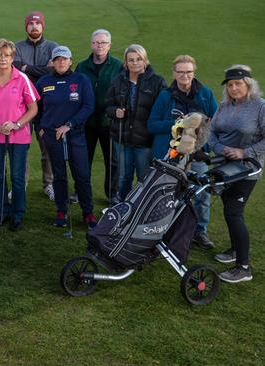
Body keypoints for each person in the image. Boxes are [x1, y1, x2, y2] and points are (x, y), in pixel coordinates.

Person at [147, 55, 218, 249]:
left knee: (202, 194)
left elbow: (216, 124)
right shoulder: (165, 96)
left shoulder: (205, 94)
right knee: (170, 194)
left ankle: (200, 232)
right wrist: (180, 124)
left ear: (194, 72)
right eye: (180, 72)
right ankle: (167, 230)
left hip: (197, 154)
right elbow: (152, 125)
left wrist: (203, 134)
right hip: (171, 155)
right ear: (174, 73)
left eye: (188, 71)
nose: (184, 75)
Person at [208, 65, 265, 283]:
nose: (233, 88)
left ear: (248, 84)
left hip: (247, 169)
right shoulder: (224, 106)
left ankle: (243, 268)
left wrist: (244, 152)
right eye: (230, 85)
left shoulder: (260, 107)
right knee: (228, 208)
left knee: (234, 212)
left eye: (238, 84)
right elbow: (212, 132)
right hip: (223, 167)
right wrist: (219, 148)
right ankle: (233, 250)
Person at [0, 39, 39, 231]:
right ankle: (2, 211)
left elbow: (33, 108)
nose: (2, 59)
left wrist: (17, 124)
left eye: (7, 55)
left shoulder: (21, 79)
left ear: (12, 57)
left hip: (19, 136)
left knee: (17, 176)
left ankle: (18, 213)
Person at [36, 46, 96, 228]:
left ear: (71, 61)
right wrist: (39, 127)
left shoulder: (81, 80)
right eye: (57, 59)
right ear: (52, 62)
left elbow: (88, 106)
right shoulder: (43, 82)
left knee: (82, 175)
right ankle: (61, 210)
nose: (61, 62)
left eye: (65, 59)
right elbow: (35, 107)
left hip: (75, 135)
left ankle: (88, 213)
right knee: (59, 175)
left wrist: (69, 124)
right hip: (52, 136)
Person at [105, 44, 166, 201]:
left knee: (143, 177)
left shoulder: (157, 82)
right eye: (131, 60)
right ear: (125, 62)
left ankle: (141, 211)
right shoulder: (118, 80)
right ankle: (124, 209)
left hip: (144, 140)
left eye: (138, 59)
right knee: (123, 177)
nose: (135, 63)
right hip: (122, 138)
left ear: (145, 60)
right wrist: (114, 112)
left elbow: (163, 109)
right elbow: (108, 106)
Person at [13, 11, 59, 200]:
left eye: (37, 23)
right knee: (21, 146)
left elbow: (53, 70)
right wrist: (41, 70)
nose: (34, 26)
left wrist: (26, 68)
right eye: (30, 23)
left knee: (47, 146)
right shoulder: (17, 47)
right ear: (26, 26)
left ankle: (49, 184)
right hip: (22, 105)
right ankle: (20, 183)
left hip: (46, 105)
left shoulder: (52, 47)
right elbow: (14, 67)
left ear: (42, 26)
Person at [75, 29, 123, 202]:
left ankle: (112, 193)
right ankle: (80, 191)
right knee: (82, 159)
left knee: (113, 160)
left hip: (109, 122)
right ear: (91, 44)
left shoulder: (118, 66)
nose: (99, 46)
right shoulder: (82, 66)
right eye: (96, 42)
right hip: (86, 122)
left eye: (103, 43)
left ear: (109, 45)